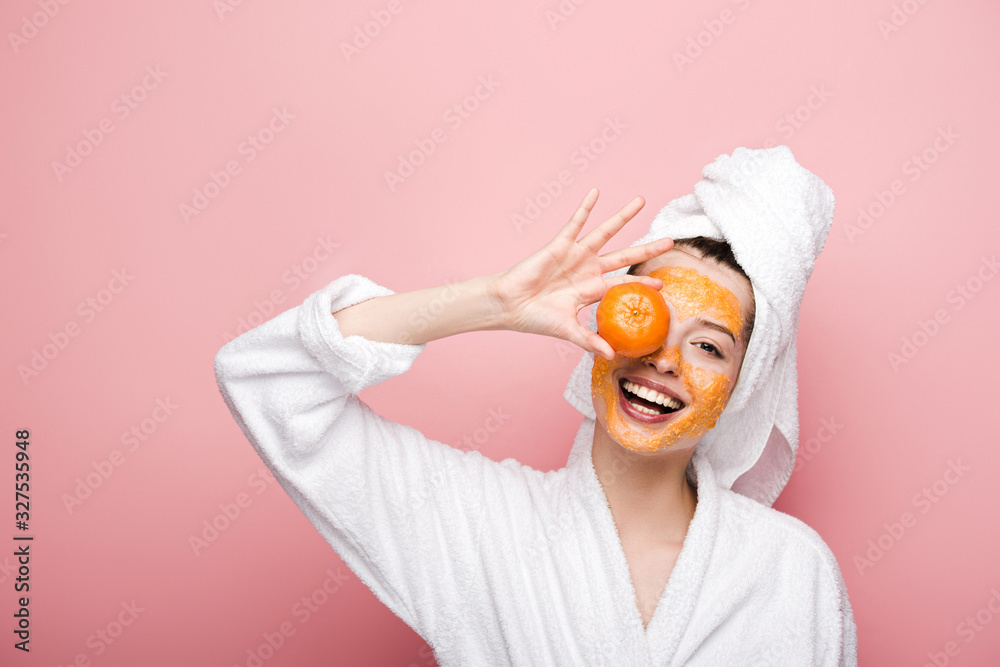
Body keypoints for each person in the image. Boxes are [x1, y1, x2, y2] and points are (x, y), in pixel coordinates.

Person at [214, 146, 858, 665]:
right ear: (602, 329)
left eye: (710, 347)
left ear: (738, 393)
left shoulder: (791, 572)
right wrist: (490, 303)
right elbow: (269, 379)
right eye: (648, 317)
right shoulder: (478, 521)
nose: (665, 359)